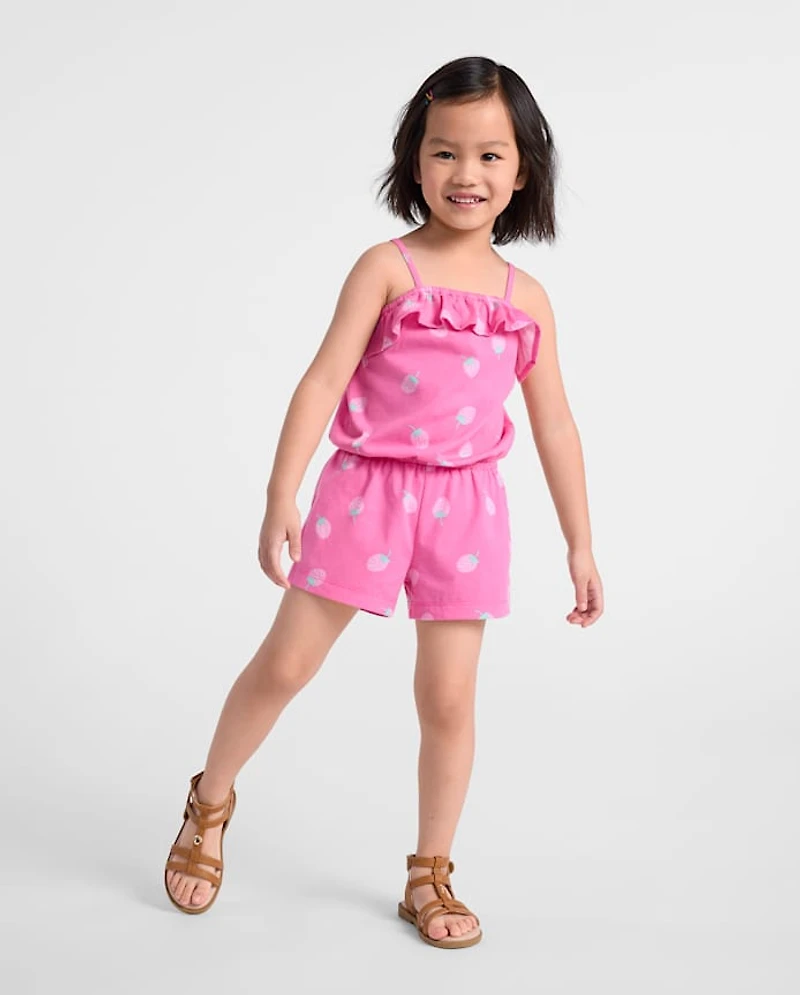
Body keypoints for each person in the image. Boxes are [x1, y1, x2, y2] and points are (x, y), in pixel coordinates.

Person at [164, 54, 604, 949]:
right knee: (287, 664)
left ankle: (429, 871)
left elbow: (556, 424)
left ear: (524, 170)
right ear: (415, 160)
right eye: (445, 152)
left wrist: (581, 544)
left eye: (490, 155)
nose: (466, 173)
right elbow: (323, 379)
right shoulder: (386, 268)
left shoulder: (526, 300)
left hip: (468, 510)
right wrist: (281, 491)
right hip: (364, 492)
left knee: (448, 699)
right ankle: (210, 799)